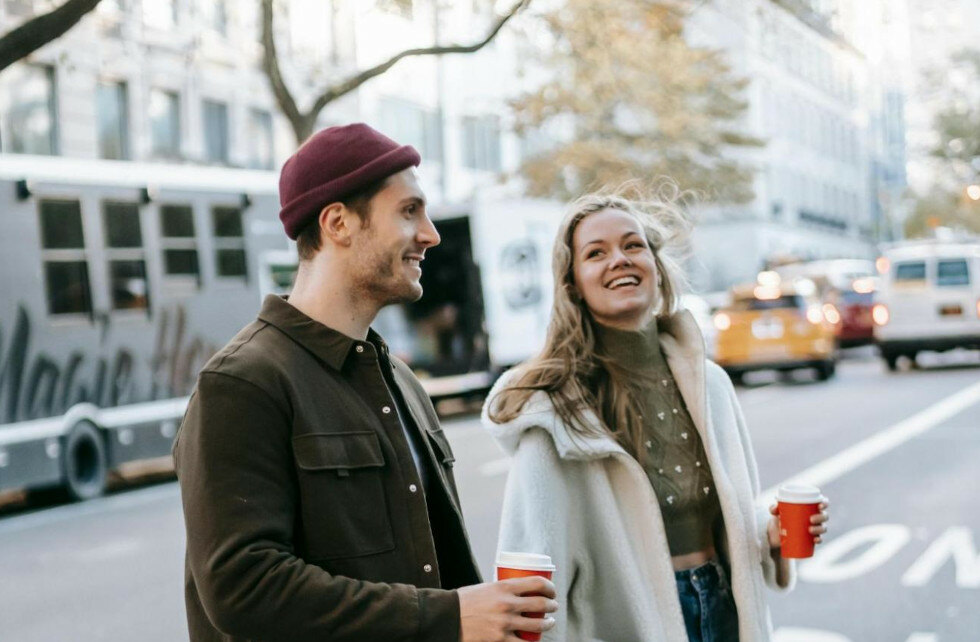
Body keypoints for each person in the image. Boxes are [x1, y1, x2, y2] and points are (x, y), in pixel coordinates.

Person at [174, 123, 557, 642]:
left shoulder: (400, 380)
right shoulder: (243, 382)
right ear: (338, 223)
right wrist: (445, 617)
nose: (431, 233)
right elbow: (244, 588)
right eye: (408, 211)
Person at [482, 185, 829, 642]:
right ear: (574, 285)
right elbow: (529, 562)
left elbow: (732, 516)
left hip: (726, 606)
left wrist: (772, 533)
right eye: (596, 253)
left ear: (656, 267)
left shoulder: (712, 385)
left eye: (633, 246)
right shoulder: (554, 407)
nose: (619, 260)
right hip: (630, 625)